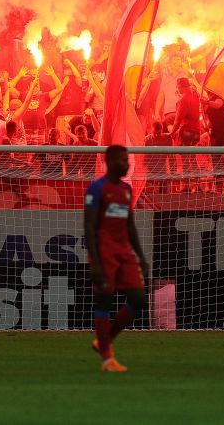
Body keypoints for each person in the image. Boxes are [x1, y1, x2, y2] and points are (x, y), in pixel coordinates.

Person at [85, 145, 149, 372]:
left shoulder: (126, 189)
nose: (127, 164)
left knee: (139, 299)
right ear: (110, 162)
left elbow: (129, 224)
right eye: (123, 160)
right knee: (104, 300)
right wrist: (94, 260)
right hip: (104, 250)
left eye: (128, 160)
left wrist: (141, 256)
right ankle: (106, 359)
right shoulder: (96, 189)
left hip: (124, 251)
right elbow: (89, 226)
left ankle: (104, 340)